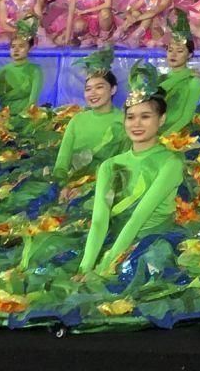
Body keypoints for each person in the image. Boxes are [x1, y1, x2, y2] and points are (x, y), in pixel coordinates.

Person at [78, 63, 185, 274]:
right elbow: (99, 222)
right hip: (115, 239)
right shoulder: (110, 165)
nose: (136, 124)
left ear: (161, 119)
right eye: (131, 117)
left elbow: (138, 218)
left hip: (151, 244)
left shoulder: (171, 163)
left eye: (145, 117)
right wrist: (85, 268)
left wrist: (105, 267)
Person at [54, 50, 130, 180]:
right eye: (88, 89)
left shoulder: (124, 121)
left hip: (106, 183)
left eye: (99, 87)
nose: (92, 93)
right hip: (71, 182)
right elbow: (62, 162)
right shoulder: (77, 120)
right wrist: (60, 183)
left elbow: (123, 165)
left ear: (113, 89)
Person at [158, 13, 200, 137]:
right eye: (170, 50)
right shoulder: (161, 78)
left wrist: (164, 138)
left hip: (175, 136)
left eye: (179, 51)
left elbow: (186, 117)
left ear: (189, 55)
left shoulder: (194, 81)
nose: (173, 55)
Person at [0, 16, 44, 114]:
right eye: (13, 46)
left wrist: (23, 117)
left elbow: (32, 101)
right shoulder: (0, 72)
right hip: (5, 117)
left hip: (27, 116)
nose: (16, 50)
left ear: (29, 48)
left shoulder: (35, 70)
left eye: (21, 46)